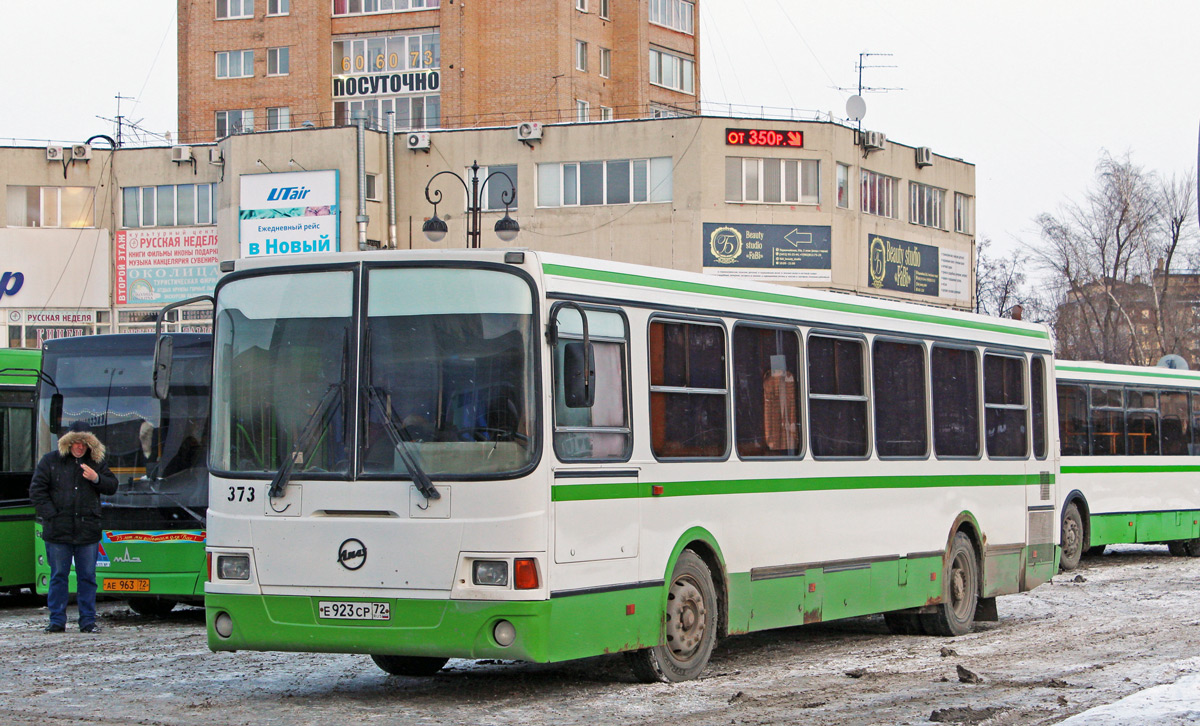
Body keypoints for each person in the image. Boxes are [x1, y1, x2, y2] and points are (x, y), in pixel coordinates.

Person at [29, 421, 119, 633]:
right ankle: (56, 622)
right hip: (58, 532)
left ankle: (88, 622)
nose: (80, 447)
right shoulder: (50, 461)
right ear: (68, 443)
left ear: (90, 445)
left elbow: (112, 486)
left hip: (87, 531)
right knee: (59, 576)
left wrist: (96, 478)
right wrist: (52, 515)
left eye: (84, 443)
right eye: (76, 442)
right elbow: (36, 491)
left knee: (87, 577)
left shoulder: (96, 462)